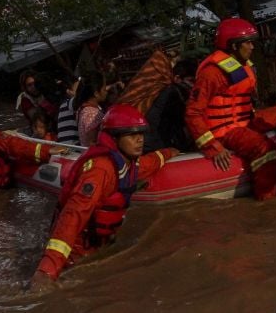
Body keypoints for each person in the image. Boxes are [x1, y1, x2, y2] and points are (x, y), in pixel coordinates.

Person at [32, 104, 179, 281]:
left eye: (141, 134)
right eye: (132, 135)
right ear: (114, 138)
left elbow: (150, 163)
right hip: (76, 254)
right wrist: (47, 270)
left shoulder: (127, 163)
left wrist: (168, 153)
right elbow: (73, 215)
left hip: (98, 247)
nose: (139, 139)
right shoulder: (100, 170)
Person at [185, 18, 276, 201]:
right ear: (234, 46)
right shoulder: (211, 73)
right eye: (248, 43)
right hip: (225, 130)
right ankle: (267, 200)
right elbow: (193, 113)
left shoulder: (244, 67)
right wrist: (214, 147)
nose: (252, 47)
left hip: (244, 121)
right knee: (263, 146)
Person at [143, 57, 198, 152]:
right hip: (156, 146)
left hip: (153, 143)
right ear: (177, 78)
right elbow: (187, 118)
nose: (194, 86)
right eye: (191, 81)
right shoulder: (173, 94)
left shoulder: (168, 90)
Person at [74, 71, 108, 146]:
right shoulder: (91, 113)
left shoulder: (83, 109)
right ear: (96, 93)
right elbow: (92, 142)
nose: (106, 92)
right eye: (104, 89)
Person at [56, 77, 80, 145]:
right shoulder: (68, 103)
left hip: (66, 146)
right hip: (72, 147)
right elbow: (80, 99)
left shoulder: (63, 105)